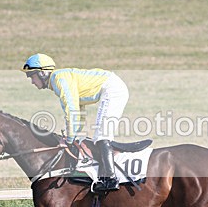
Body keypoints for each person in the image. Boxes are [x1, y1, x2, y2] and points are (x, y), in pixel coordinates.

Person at [22, 53, 129, 192]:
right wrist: (73, 135)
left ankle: (110, 179)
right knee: (99, 136)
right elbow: (79, 109)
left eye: (31, 75)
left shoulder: (58, 79)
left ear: (42, 73)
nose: (31, 81)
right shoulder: (58, 80)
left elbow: (71, 109)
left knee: (102, 136)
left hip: (112, 88)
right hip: (112, 87)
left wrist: (70, 139)